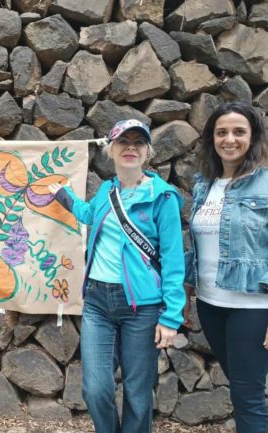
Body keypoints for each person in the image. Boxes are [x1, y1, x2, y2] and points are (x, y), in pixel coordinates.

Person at [184, 102, 268, 433]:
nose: (230, 139)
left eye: (239, 131)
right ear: (212, 139)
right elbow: (200, 247)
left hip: (253, 309)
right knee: (241, 387)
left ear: (253, 137)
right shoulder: (204, 185)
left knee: (248, 395)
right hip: (211, 306)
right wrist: (187, 296)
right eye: (222, 132)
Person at [48, 119, 185, 433]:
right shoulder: (107, 191)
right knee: (95, 390)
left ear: (147, 152)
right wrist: (65, 198)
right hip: (98, 302)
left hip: (143, 308)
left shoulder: (162, 198)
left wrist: (171, 316)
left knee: (137, 394)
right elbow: (89, 215)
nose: (131, 148)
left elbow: (174, 261)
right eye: (124, 142)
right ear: (111, 150)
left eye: (139, 142)